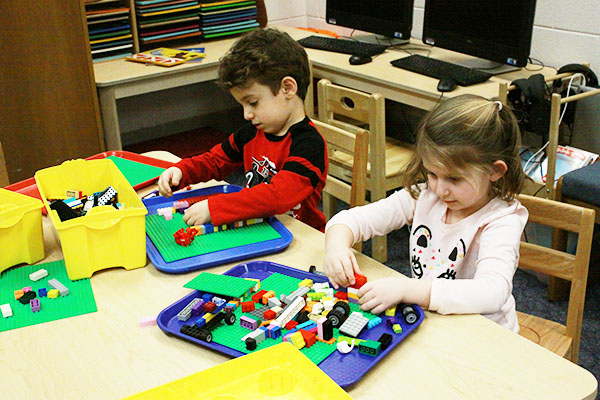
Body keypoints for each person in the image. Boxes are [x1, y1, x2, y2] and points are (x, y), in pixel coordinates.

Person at [323, 95, 528, 332]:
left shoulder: (502, 220)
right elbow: (352, 220)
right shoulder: (424, 196)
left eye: (454, 178)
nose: (440, 189)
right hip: (433, 322)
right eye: (432, 173)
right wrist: (336, 247)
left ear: (494, 171)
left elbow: (491, 293)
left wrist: (406, 289)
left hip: (485, 335)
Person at [157, 28, 328, 231]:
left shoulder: (309, 144)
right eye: (243, 105)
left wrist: (215, 208)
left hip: (301, 237)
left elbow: (279, 196)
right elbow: (215, 161)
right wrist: (182, 170)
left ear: (288, 89)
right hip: (258, 227)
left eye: (253, 102)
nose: (246, 114)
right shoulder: (251, 133)